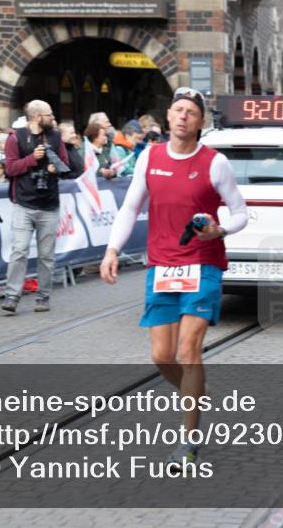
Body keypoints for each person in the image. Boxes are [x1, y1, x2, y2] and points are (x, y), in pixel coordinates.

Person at [101, 87, 247, 469]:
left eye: (191, 112)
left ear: (200, 122)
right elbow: (130, 208)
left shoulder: (215, 163)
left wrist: (220, 231)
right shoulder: (150, 156)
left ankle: (188, 441)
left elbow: (240, 213)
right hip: (162, 266)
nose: (183, 116)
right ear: (168, 116)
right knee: (161, 355)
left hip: (203, 263)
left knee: (188, 351)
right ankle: (195, 391)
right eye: (178, 110)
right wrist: (112, 250)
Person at [2, 100, 71, 314]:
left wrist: (55, 168)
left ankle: (43, 296)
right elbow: (10, 168)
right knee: (19, 251)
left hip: (49, 204)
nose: (53, 118)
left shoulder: (56, 136)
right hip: (24, 203)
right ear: (36, 116)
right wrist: (32, 159)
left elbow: (66, 164)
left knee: (46, 255)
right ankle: (12, 296)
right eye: (49, 115)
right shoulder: (16, 138)